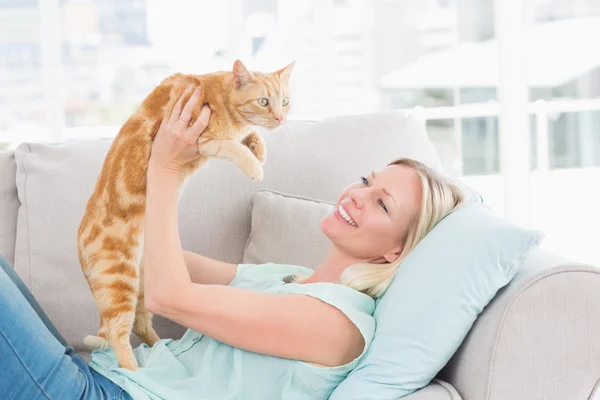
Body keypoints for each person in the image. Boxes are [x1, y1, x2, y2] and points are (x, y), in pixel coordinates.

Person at [0, 85, 464, 400]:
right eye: (367, 180)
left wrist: (165, 168)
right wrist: (167, 165)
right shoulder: (285, 279)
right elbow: (148, 264)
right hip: (100, 375)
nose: (357, 196)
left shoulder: (337, 325)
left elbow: (168, 296)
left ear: (396, 251)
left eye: (381, 204)